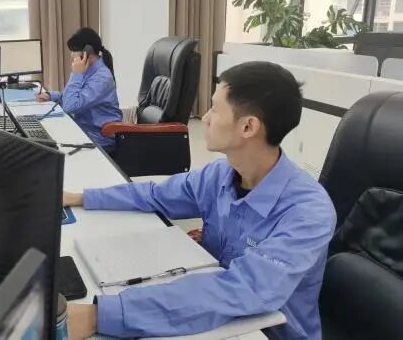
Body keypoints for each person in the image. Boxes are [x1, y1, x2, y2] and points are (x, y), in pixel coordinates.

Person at [64, 61, 337, 340]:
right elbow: (155, 195)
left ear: (248, 127)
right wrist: (81, 197)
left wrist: (99, 315)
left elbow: (241, 290)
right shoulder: (220, 174)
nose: (205, 118)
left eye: (215, 109)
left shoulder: (307, 212)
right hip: (214, 314)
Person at [36, 28, 122, 152]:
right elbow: (72, 96)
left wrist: (76, 74)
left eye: (74, 51)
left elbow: (70, 106)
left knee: (48, 150)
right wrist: (51, 96)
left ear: (87, 51)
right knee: (44, 140)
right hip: (84, 132)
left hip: (99, 141)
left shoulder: (102, 78)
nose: (72, 55)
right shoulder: (89, 69)